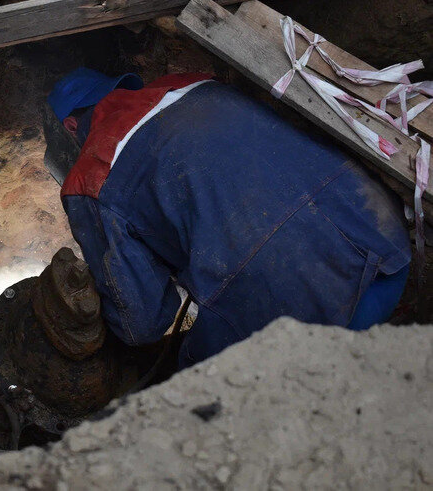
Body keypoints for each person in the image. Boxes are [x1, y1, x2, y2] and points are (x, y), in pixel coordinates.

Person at [45, 67, 411, 369]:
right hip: (383, 248)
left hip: (309, 310)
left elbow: (143, 323)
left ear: (71, 127)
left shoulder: (90, 178)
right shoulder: (196, 83)